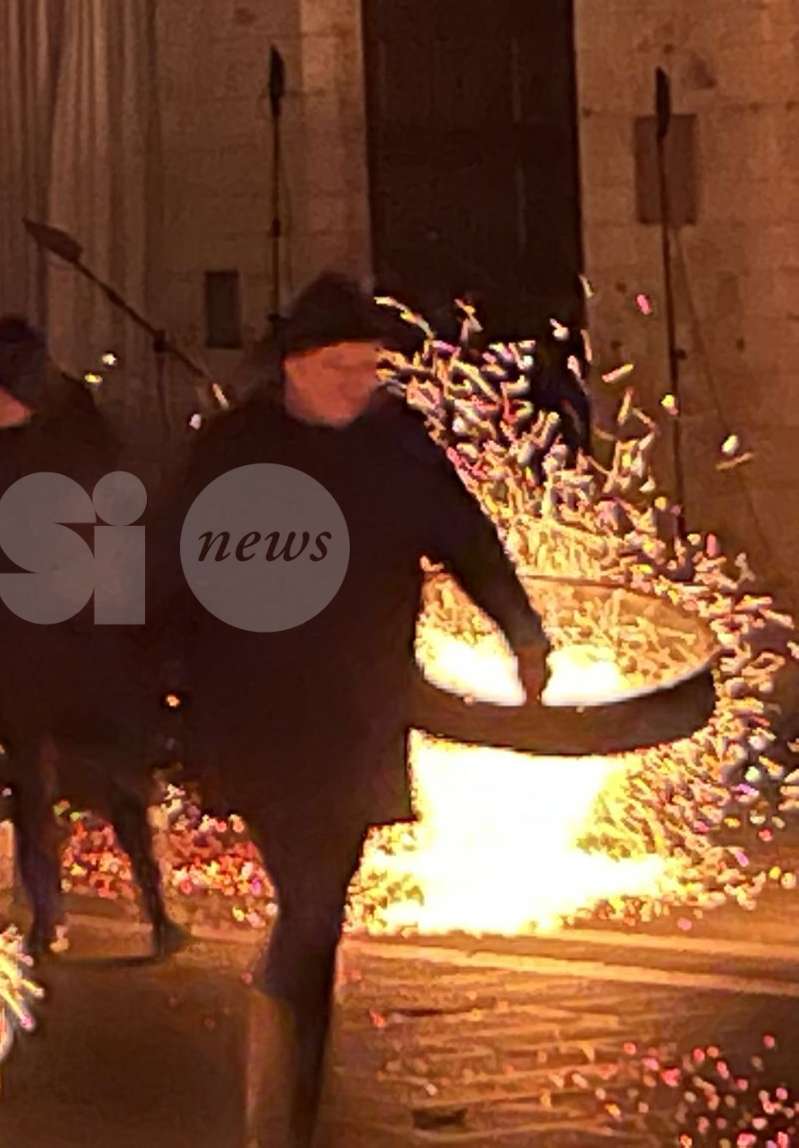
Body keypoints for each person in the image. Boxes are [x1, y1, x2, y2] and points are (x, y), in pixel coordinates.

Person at [152, 274, 551, 1146]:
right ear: (294, 366)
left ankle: (286, 1075)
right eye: (340, 367)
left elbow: (466, 536)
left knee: (320, 908)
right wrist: (160, 693)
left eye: (370, 367)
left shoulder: (395, 444)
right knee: (308, 902)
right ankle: (282, 1095)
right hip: (259, 714)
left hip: (361, 713)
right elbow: (167, 566)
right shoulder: (238, 449)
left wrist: (523, 631)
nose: (357, 384)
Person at [0, 316, 183, 962]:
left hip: (87, 645)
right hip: (18, 644)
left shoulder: (79, 445)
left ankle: (158, 909)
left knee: (117, 779)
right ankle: (46, 916)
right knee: (30, 783)